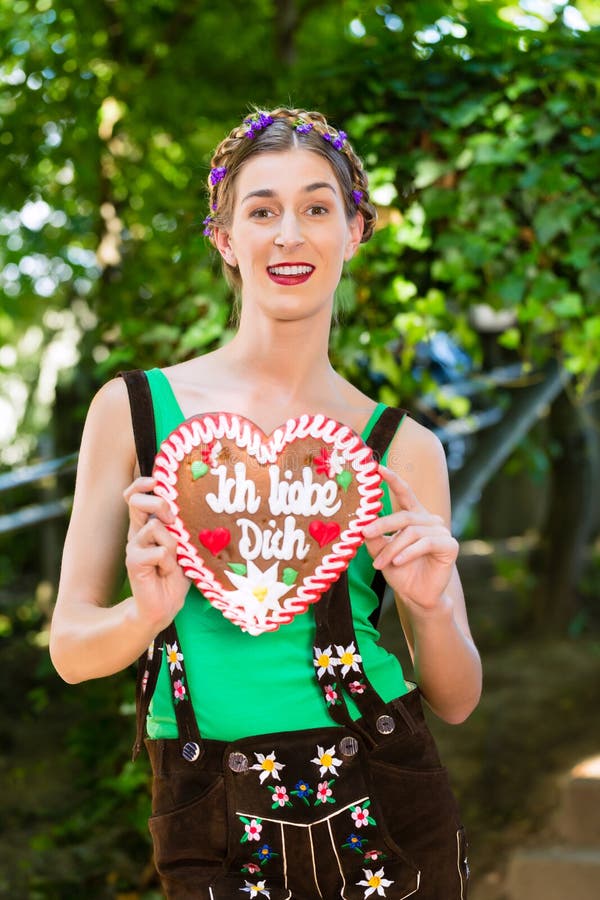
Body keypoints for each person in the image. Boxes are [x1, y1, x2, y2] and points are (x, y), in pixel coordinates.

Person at [50, 107, 482, 900]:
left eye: (318, 207)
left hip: (388, 791)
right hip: (204, 803)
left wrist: (430, 609)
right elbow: (72, 650)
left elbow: (455, 698)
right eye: (262, 210)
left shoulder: (403, 446)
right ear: (224, 238)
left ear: (356, 231)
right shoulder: (134, 412)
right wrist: (142, 616)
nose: (290, 234)